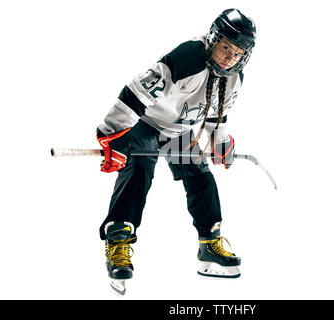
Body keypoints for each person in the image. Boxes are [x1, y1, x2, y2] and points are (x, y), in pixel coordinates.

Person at [96, 8, 256, 293]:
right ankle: (118, 242)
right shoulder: (187, 58)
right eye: (226, 48)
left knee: (200, 176)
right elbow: (135, 91)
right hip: (146, 124)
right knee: (139, 170)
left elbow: (217, 114)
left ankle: (209, 243)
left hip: (179, 132)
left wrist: (219, 142)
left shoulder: (234, 78)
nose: (229, 57)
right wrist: (112, 135)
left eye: (237, 52)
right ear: (213, 39)